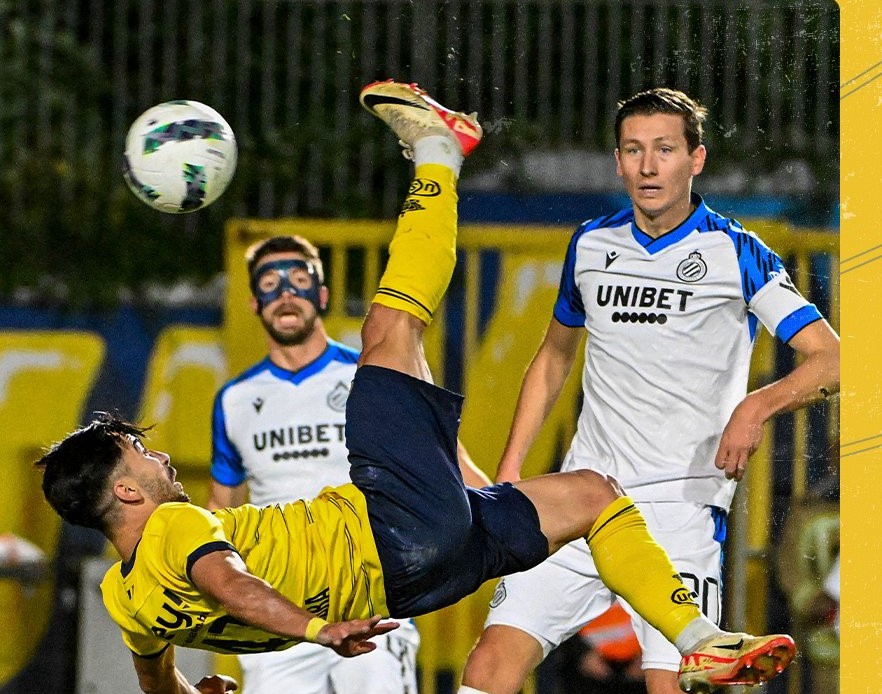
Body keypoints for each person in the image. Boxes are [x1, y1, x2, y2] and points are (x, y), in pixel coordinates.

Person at [37, 81, 796, 694]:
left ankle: (704, 639)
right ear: (125, 494)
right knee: (390, 333)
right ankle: (440, 150)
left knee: (593, 495)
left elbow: (156, 675)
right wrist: (311, 630)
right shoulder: (174, 525)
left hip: (413, 583)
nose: (157, 457)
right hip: (383, 535)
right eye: (137, 452)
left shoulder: (126, 603)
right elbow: (231, 582)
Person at [458, 87, 840, 694]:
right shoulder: (590, 244)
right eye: (633, 150)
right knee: (488, 666)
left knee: (672, 686)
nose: (647, 165)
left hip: (679, 512)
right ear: (616, 161)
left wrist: (756, 406)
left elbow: (831, 358)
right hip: (584, 498)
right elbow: (554, 358)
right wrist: (511, 479)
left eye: (664, 149)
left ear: (697, 159)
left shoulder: (737, 252)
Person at [206, 232, 488, 693]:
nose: (285, 293)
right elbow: (221, 509)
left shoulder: (369, 373)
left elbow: (450, 465)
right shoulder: (234, 400)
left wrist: (512, 515)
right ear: (255, 303)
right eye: (270, 284)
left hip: (372, 592)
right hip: (280, 607)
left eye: (299, 280)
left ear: (321, 294)